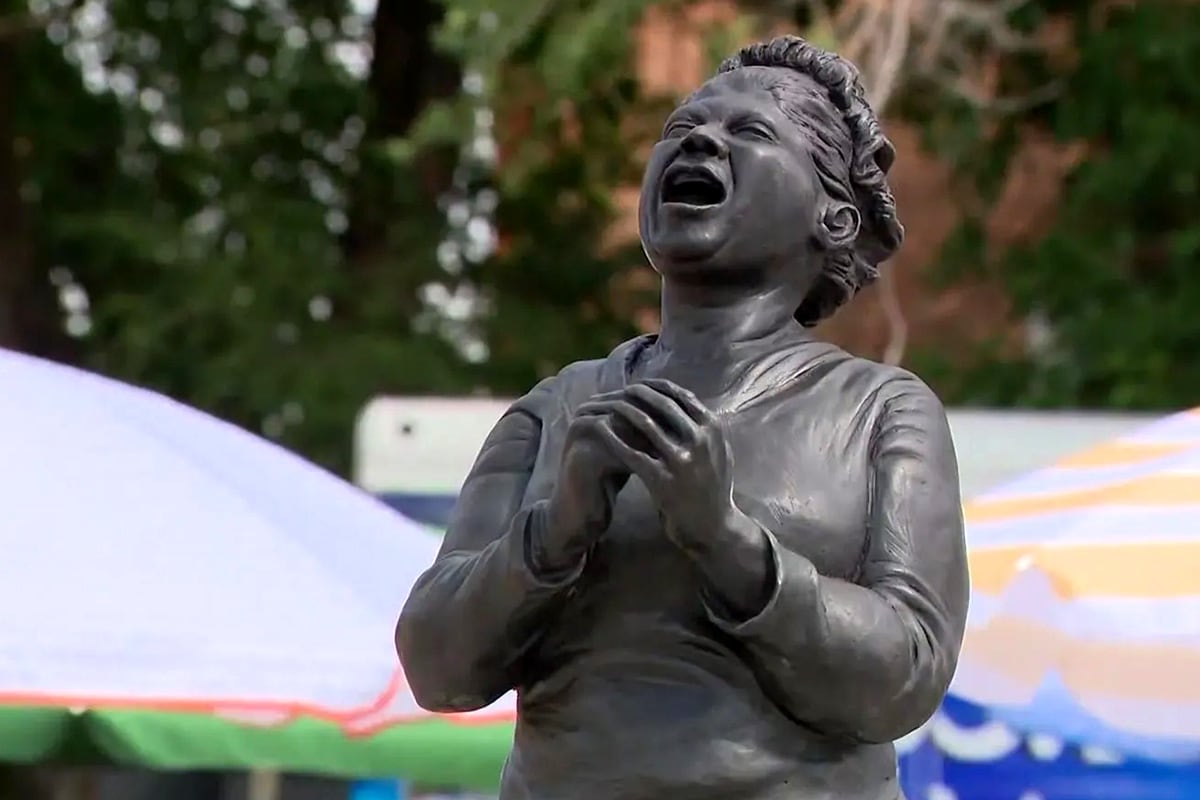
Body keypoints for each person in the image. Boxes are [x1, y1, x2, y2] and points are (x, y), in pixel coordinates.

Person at [396, 35, 969, 800]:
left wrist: (730, 545)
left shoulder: (879, 411)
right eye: (682, 128)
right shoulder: (556, 408)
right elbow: (437, 667)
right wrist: (555, 533)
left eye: (752, 133)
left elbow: (907, 677)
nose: (700, 139)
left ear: (832, 218)